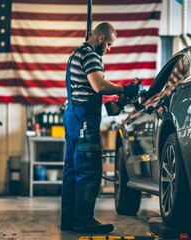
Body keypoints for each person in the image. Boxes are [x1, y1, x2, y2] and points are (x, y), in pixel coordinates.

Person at [60, 22, 139, 234]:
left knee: (71, 172)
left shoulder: (76, 54)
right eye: (110, 44)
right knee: (88, 171)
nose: (109, 49)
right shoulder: (91, 56)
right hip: (85, 120)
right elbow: (98, 85)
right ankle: (84, 220)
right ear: (101, 38)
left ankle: (69, 219)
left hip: (73, 118)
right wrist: (125, 88)